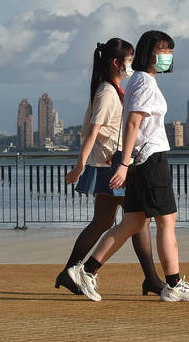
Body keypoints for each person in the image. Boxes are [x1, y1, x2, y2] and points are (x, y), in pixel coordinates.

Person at [67, 30, 189, 302]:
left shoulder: (138, 81)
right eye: (163, 50)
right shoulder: (143, 82)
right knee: (167, 222)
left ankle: (87, 270)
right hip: (149, 159)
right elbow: (132, 124)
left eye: (169, 50)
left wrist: (125, 163)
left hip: (140, 160)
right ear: (148, 53)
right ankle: (174, 284)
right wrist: (124, 163)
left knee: (131, 222)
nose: (167, 56)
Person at [55, 38, 165, 296]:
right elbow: (93, 133)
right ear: (116, 62)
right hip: (112, 166)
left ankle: (71, 271)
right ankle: (150, 279)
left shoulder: (113, 88)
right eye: (129, 59)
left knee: (107, 221)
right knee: (137, 220)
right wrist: (79, 166)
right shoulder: (107, 91)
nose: (132, 64)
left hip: (110, 164)